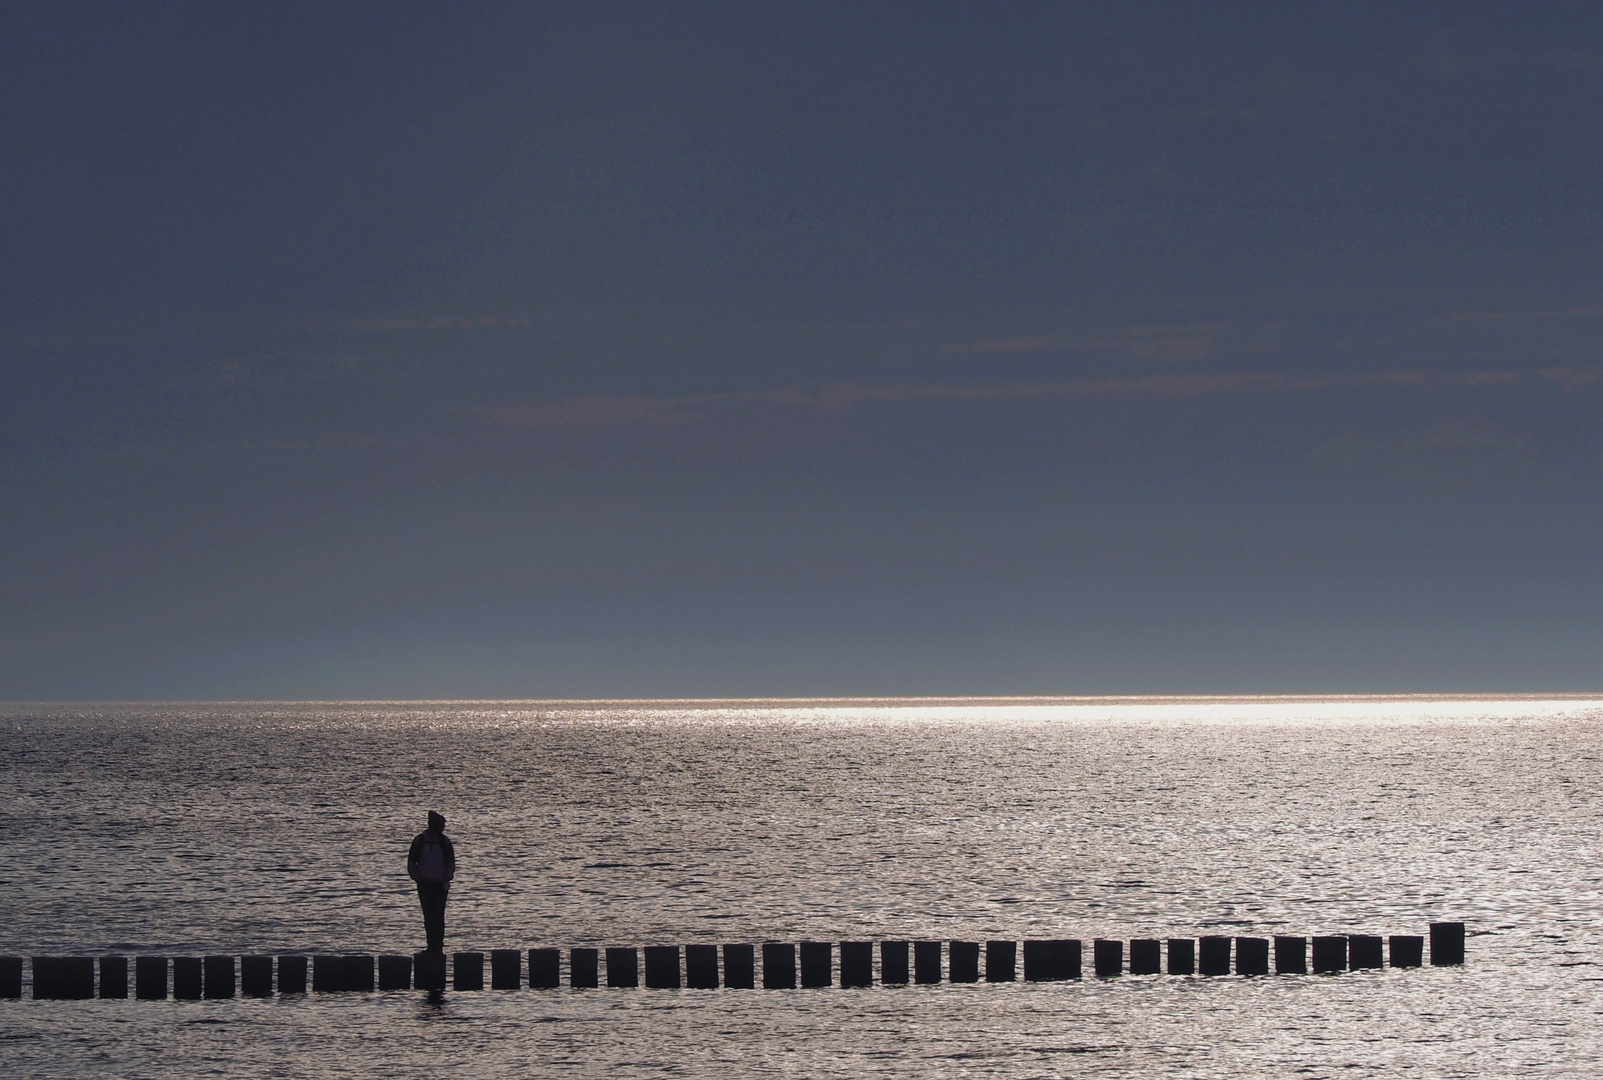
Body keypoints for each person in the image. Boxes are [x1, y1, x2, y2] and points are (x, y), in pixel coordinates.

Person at [407, 810, 456, 953]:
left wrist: (446, 878)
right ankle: (432, 946)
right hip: (425, 884)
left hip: (440, 885)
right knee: (429, 916)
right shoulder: (420, 841)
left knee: (438, 916)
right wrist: (417, 878)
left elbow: (451, 864)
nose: (443, 828)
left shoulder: (444, 841)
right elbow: (411, 863)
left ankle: (437, 946)